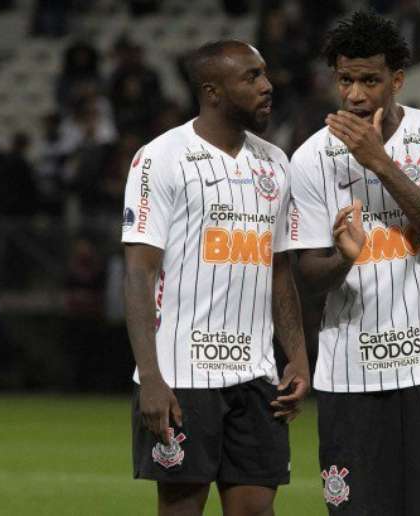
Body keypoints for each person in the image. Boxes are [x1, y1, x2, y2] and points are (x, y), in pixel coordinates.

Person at [286, 12, 420, 515]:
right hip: (349, 374)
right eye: (345, 79)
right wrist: (343, 260)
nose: (354, 95)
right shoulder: (309, 161)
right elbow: (306, 276)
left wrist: (381, 163)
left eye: (370, 80)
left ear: (396, 80)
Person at [122, 40, 310, 516]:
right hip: (182, 376)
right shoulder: (160, 158)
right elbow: (139, 272)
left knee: (255, 511)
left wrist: (299, 358)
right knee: (182, 506)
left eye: (265, 74)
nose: (267, 86)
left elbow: (280, 271)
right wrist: (151, 377)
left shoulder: (275, 163)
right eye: (251, 77)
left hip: (257, 374)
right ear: (213, 91)